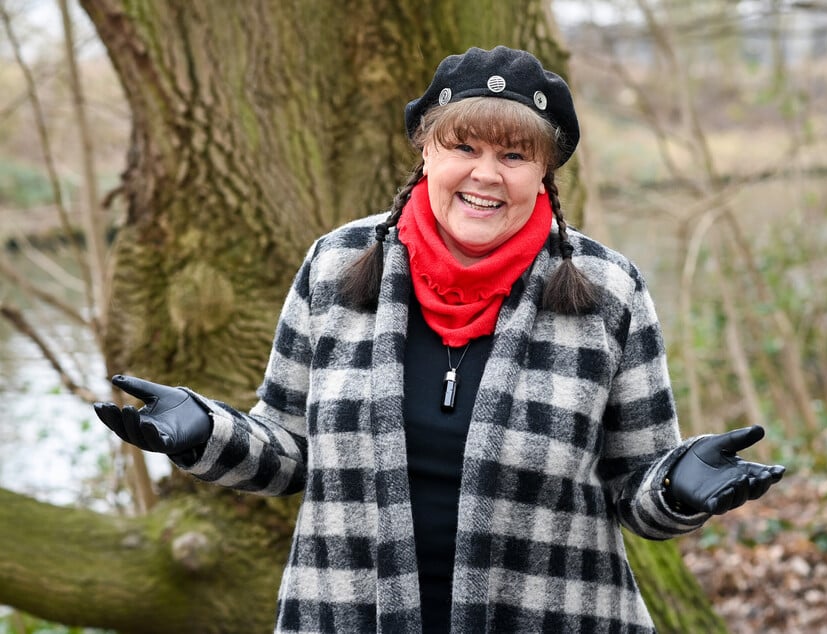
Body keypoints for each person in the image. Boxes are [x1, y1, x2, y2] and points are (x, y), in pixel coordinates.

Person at [94, 46, 785, 633]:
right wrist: (202, 432)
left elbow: (636, 491)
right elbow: (289, 454)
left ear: (543, 171)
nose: (486, 174)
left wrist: (680, 488)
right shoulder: (336, 265)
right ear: (426, 149)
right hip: (345, 614)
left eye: (514, 154)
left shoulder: (607, 291)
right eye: (463, 146)